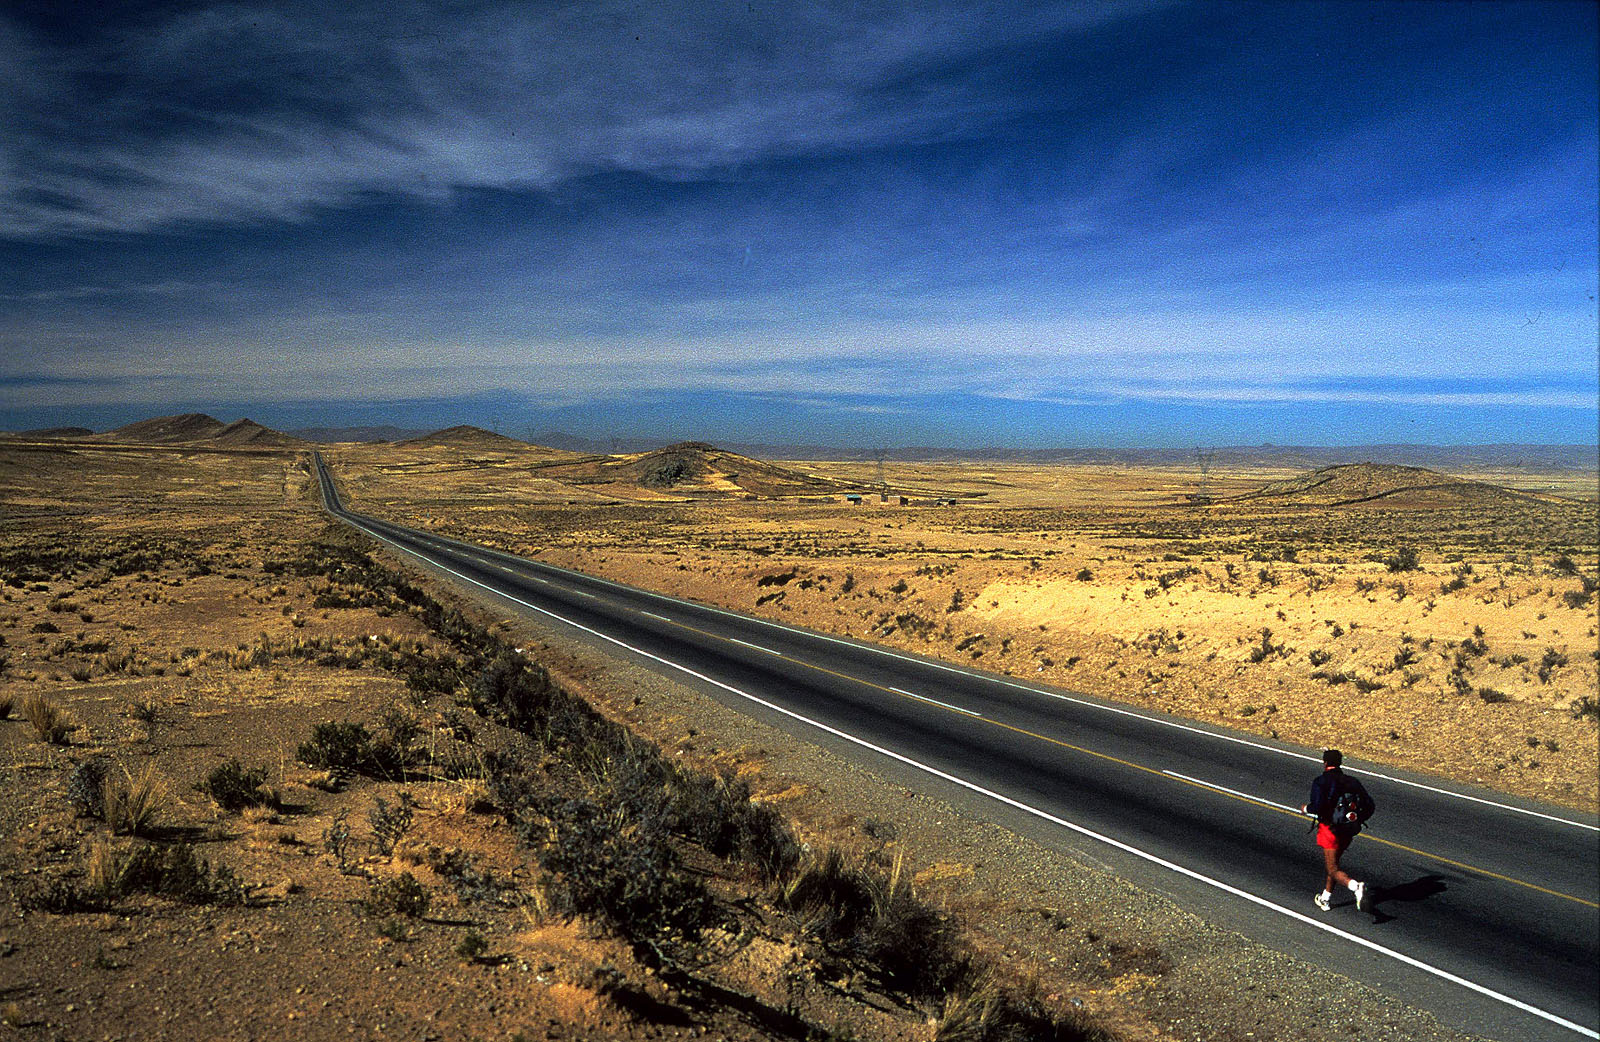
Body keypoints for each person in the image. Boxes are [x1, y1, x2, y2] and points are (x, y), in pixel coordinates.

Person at [1302, 749, 1371, 911]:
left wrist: (1306, 808)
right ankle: (1325, 898)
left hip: (1330, 829)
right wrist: (1359, 820)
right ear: (1340, 762)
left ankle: (1355, 886)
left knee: (1332, 869)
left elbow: (1317, 806)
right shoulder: (1352, 781)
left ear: (1325, 762)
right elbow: (1369, 805)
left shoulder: (1321, 781)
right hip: (1348, 829)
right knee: (1333, 866)